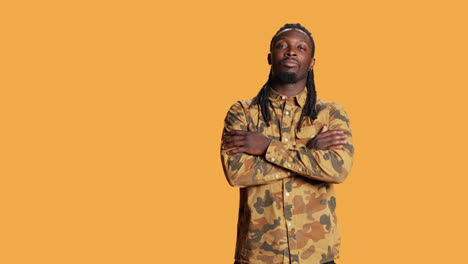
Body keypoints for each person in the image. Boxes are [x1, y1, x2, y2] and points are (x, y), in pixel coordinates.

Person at [220, 23, 354, 264]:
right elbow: (236, 172)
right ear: (270, 58)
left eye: (301, 48)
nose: (291, 51)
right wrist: (309, 155)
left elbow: (338, 169)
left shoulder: (331, 113)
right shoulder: (242, 112)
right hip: (259, 254)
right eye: (282, 46)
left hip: (318, 254)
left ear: (311, 62)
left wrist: (267, 148)